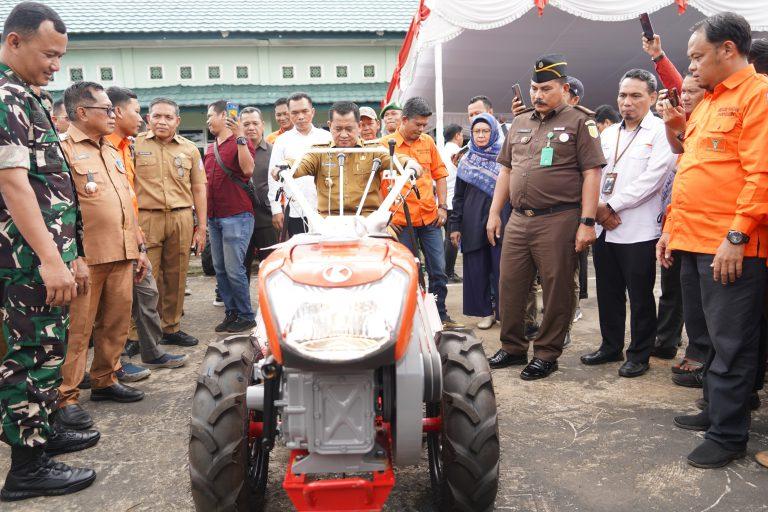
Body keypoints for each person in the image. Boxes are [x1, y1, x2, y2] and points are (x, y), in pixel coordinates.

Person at [656, 12, 768, 469]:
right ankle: (715, 411)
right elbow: (691, 171)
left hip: (730, 246)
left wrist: (737, 236)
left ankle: (728, 434)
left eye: (699, 57)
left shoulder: (757, 96)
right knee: (708, 337)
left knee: (733, 342)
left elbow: (761, 173)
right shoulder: (708, 102)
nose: (693, 67)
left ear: (728, 50)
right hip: (695, 239)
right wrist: (671, 231)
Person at [0, 2, 97, 500]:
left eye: (61, 57)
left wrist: (71, 252)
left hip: (45, 252)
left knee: (48, 347)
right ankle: (27, 467)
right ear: (14, 42)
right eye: (49, 54)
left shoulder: (28, 94)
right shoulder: (5, 97)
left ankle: (45, 430)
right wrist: (50, 258)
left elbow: (52, 186)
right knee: (29, 352)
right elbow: (14, 184)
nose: (56, 65)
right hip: (24, 258)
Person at [486, 54, 605, 380]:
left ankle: (547, 353)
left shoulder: (582, 121)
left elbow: (592, 173)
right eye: (534, 88)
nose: (538, 95)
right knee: (510, 284)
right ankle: (512, 348)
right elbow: (506, 170)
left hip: (559, 219)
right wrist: (495, 212)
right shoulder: (521, 121)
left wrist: (587, 222)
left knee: (557, 287)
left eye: (546, 88)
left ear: (564, 88)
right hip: (519, 219)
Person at [56, 81, 148, 430]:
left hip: (121, 251)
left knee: (116, 322)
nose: (113, 115)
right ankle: (65, 397)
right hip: (87, 257)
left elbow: (127, 202)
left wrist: (138, 247)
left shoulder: (112, 151)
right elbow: (61, 211)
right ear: (82, 113)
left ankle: (105, 379)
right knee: (78, 331)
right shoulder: (62, 150)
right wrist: (71, 256)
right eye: (106, 109)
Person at [580, 69, 676, 378]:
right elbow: (595, 175)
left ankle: (639, 354)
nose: (627, 102)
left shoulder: (662, 132)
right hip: (605, 225)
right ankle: (610, 346)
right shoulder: (608, 134)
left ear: (651, 97)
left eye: (635, 95)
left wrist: (611, 205)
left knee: (640, 294)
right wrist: (597, 209)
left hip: (638, 227)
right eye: (623, 95)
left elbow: (654, 179)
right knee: (608, 291)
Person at [105, 86, 187, 374]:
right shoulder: (111, 147)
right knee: (118, 300)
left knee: (148, 290)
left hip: (139, 229)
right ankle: (113, 362)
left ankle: (152, 350)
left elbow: (128, 195)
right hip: (113, 235)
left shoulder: (125, 147)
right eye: (140, 113)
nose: (143, 119)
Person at [381, 97, 462, 329]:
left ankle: (440, 315)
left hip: (430, 219)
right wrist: (385, 217)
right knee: (408, 271)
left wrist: (443, 206)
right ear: (404, 120)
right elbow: (376, 185)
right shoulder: (385, 145)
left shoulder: (427, 142)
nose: (422, 129)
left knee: (438, 270)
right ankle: (411, 319)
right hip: (399, 222)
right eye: (418, 124)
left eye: (425, 125)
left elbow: (440, 175)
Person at [134, 98, 206, 347]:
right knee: (144, 278)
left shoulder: (189, 149)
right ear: (147, 119)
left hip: (181, 217)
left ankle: (171, 327)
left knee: (177, 275)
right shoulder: (133, 145)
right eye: (156, 116)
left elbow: (199, 188)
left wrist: (202, 228)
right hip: (146, 217)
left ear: (177, 121)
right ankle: (137, 335)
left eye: (168, 117)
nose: (162, 121)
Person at [651, 74, 706, 377]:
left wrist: (658, 57)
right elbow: (679, 152)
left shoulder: (711, 118)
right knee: (682, 291)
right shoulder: (689, 124)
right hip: (680, 220)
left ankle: (703, 360)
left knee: (709, 304)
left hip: (710, 227)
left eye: (691, 91)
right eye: (681, 91)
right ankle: (689, 350)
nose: (684, 97)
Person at [277, 101, 416, 215]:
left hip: (368, 221)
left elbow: (395, 158)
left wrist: (410, 163)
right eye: (338, 129)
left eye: (349, 129)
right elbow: (300, 164)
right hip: (328, 222)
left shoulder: (374, 151)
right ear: (330, 126)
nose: (343, 135)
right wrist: (284, 166)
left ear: (359, 126)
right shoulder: (319, 152)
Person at [450, 114, 511, 330]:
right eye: (477, 132)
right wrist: (455, 226)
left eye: (486, 131)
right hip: (473, 222)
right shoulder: (466, 160)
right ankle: (485, 312)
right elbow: (458, 197)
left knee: (502, 269)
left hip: (502, 221)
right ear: (472, 134)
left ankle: (504, 313)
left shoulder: (505, 158)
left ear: (493, 132)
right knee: (477, 269)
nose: (482, 135)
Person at [204, 100, 257, 333]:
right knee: (220, 268)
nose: (207, 121)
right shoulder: (211, 146)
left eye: (210, 116)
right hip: (215, 216)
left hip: (237, 215)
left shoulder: (240, 141)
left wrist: (240, 137)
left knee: (235, 268)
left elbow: (247, 170)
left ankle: (246, 315)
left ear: (224, 115)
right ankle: (231, 312)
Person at [267, 92, 332, 238]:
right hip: (296, 210)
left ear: (313, 112)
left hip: (326, 208)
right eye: (295, 113)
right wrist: (276, 209)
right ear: (290, 115)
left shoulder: (327, 137)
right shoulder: (282, 141)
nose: (300, 116)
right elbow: (273, 177)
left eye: (304, 111)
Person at [239, 107, 277, 280]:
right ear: (240, 126)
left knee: (271, 267)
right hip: (239, 220)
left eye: (255, 123)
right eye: (246, 124)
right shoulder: (234, 152)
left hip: (267, 219)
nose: (251, 127)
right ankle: (242, 306)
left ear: (262, 125)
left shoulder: (274, 151)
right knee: (240, 268)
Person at [441, 123, 463, 283]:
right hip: (453, 200)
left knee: (447, 238)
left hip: (442, 201)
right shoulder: (458, 153)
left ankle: (444, 270)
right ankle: (448, 272)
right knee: (453, 238)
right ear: (457, 135)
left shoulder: (440, 151)